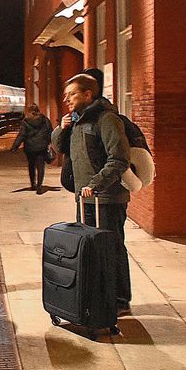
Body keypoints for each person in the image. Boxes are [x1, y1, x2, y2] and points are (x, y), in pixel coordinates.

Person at [51, 73, 132, 315]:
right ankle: (99, 295)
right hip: (86, 197)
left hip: (106, 198)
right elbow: (59, 148)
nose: (67, 100)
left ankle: (119, 299)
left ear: (88, 94)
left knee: (112, 247)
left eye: (72, 94)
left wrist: (96, 184)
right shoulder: (77, 121)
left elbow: (119, 159)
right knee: (91, 248)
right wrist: (61, 129)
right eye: (66, 96)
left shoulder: (107, 120)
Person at [10, 103, 53, 194]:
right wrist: (49, 142)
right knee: (40, 167)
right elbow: (50, 132)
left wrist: (15, 146)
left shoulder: (26, 121)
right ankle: (39, 186)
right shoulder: (45, 120)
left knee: (31, 166)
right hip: (42, 147)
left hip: (30, 148)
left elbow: (22, 135)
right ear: (38, 110)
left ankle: (33, 184)